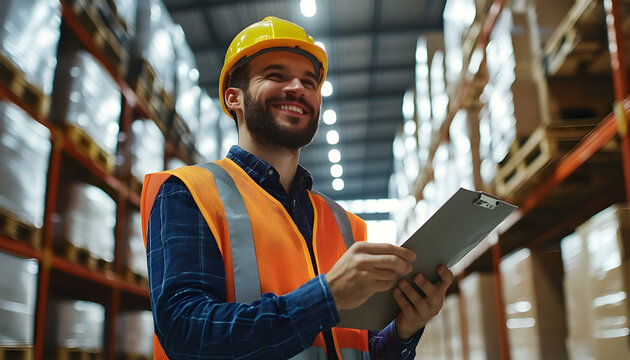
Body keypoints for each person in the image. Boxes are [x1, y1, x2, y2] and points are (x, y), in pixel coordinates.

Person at [140, 16, 454, 360]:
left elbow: (359, 349)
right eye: (275, 75)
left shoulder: (344, 224)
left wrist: (404, 331)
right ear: (234, 98)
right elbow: (185, 333)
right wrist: (325, 298)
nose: (298, 88)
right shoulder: (190, 193)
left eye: (309, 81)